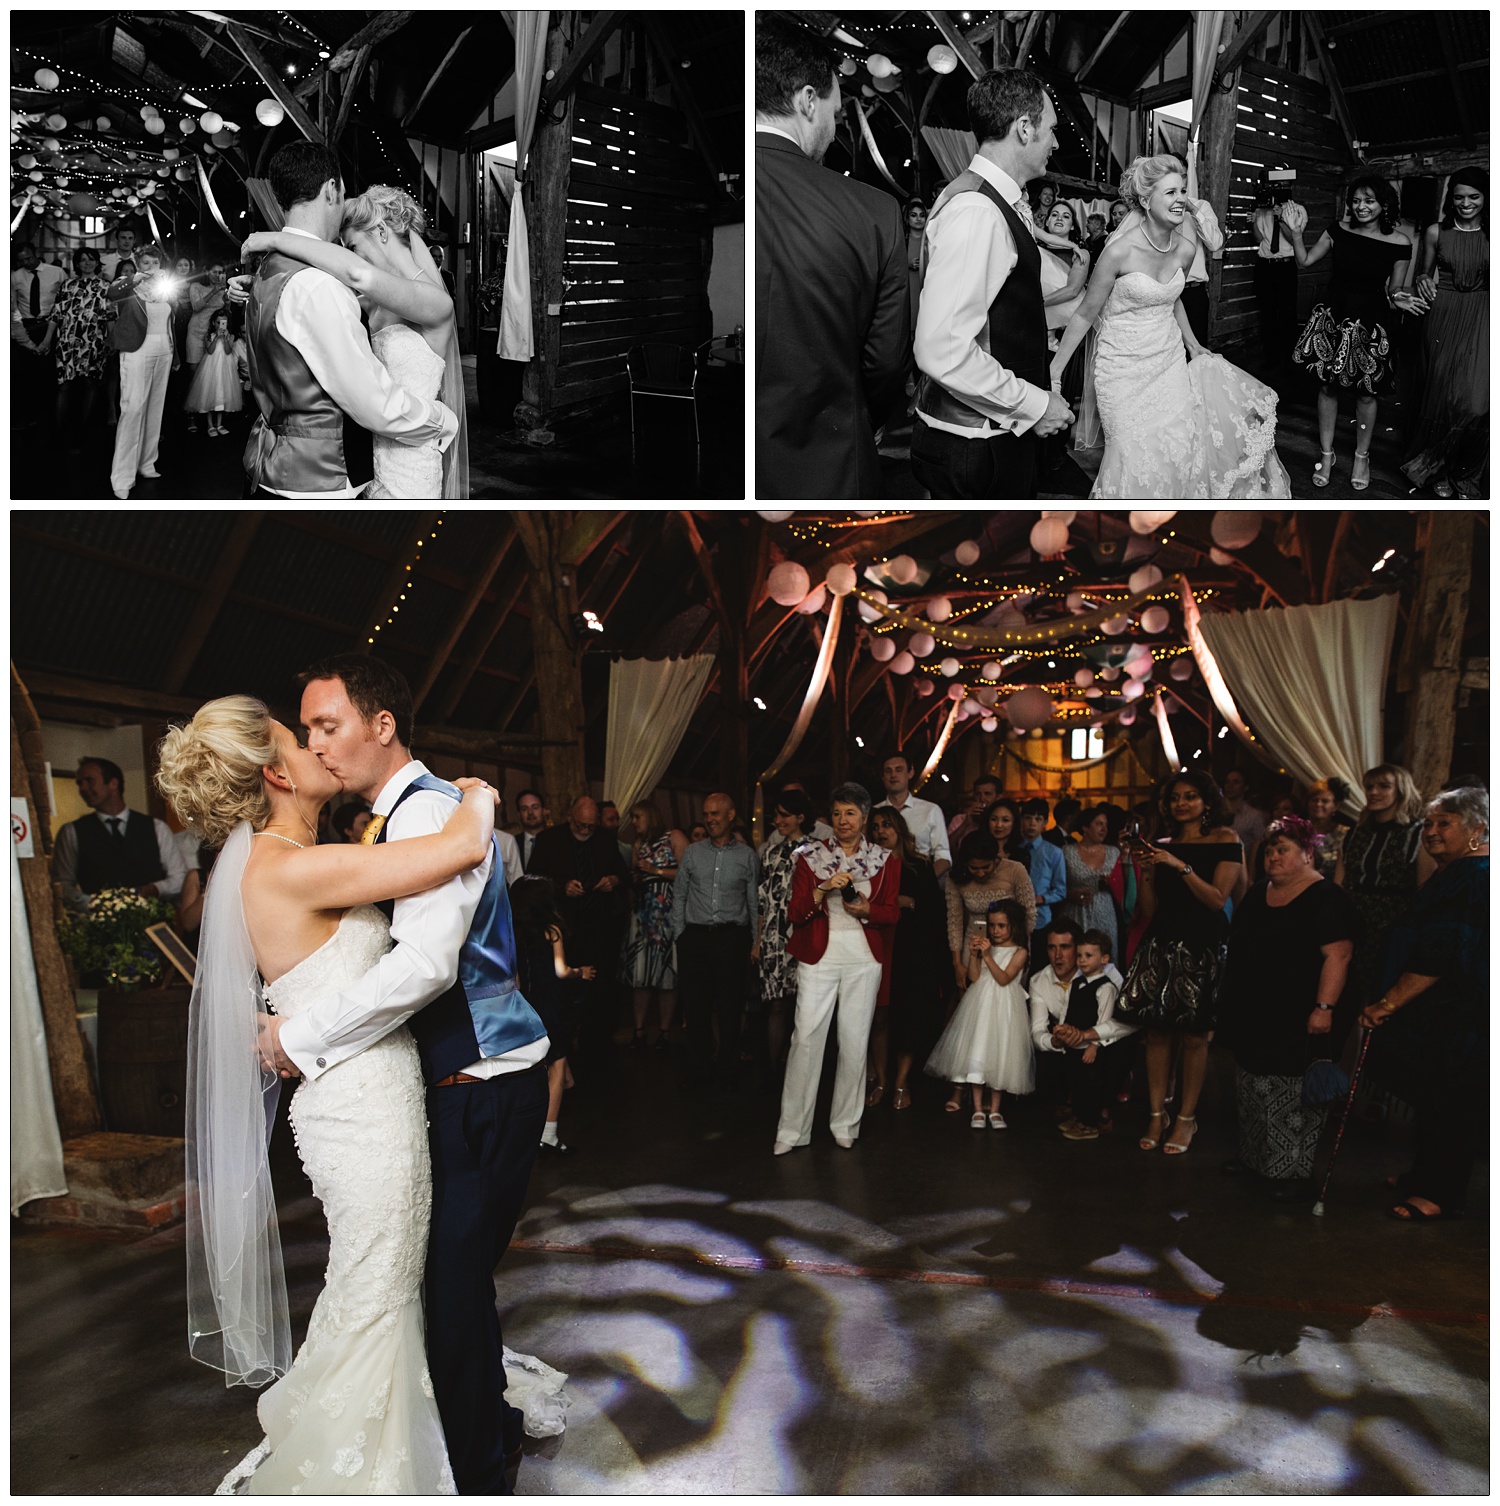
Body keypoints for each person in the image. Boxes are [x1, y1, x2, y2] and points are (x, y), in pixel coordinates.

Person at [153, 691, 512, 1493]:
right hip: (360, 1112)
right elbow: (457, 848)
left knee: (375, 1278)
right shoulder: (297, 865)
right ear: (276, 771)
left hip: (363, 1094)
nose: (320, 749)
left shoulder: (275, 863)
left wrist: (282, 1023)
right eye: (300, 738)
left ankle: (390, 1436)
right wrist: (478, 794)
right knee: (376, 1280)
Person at [253, 654, 552, 1494]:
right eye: (306, 730)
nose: (318, 745)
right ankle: (483, 1433)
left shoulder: (425, 814)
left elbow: (423, 967)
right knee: (449, 1289)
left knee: (449, 1293)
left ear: (382, 726)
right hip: (448, 1085)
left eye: (328, 726)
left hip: (481, 1080)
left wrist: (300, 1036)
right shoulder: (395, 820)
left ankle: (482, 1471)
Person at [1050, 155, 1290, 500]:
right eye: (1170, 192)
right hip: (1122, 369)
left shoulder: (1185, 249)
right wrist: (1055, 370)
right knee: (1131, 455)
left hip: (1169, 363)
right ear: (1146, 201)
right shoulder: (1118, 252)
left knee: (1177, 449)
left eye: (1183, 191)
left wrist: (1192, 345)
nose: (1180, 199)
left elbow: (1171, 297)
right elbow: (1087, 313)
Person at [238, 143, 457, 500]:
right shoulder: (364, 300)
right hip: (369, 454)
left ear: (383, 233)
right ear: (332, 189)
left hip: (407, 453)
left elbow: (355, 275)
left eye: (351, 246)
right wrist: (257, 289)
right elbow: (309, 313)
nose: (343, 257)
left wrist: (277, 238)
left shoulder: (434, 302)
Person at [754, 18, 908, 499]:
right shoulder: (876, 211)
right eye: (835, 112)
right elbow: (885, 361)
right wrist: (864, 420)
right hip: (832, 465)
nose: (834, 126)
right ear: (806, 101)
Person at [911, 68, 1074, 499]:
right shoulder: (978, 210)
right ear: (1024, 128)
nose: (1055, 143)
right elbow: (942, 348)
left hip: (992, 436)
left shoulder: (995, 200)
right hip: (975, 446)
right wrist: (1035, 405)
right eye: (1051, 130)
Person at [1361, 788, 1488, 1223]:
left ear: (1478, 829)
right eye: (1428, 823)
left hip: (1463, 1012)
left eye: (1444, 823)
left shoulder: (1473, 875)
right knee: (1436, 1098)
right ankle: (1424, 1175)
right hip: (1442, 1012)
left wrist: (1388, 1002)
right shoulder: (1455, 871)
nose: (1431, 832)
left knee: (1453, 1101)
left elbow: (1444, 951)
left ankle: (1440, 1193)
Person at [1218, 816, 1356, 1202]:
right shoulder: (1260, 891)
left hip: (1302, 1012)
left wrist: (1324, 1007)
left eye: (1284, 850)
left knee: (1290, 1088)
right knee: (1252, 1085)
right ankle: (1254, 1157)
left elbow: (1338, 956)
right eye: (1270, 850)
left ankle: (1291, 1173)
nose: (1274, 856)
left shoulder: (1327, 898)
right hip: (1258, 1010)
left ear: (1308, 853)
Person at [1116, 770, 1244, 1156]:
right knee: (1156, 1034)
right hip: (1163, 942)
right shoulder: (1162, 845)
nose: (1181, 804)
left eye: (1190, 797)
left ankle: (1187, 1117)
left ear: (1207, 802)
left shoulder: (1226, 839)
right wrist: (1150, 870)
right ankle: (1157, 1113)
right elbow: (1151, 909)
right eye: (1175, 798)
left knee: (1193, 1036)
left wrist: (1180, 865)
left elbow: (1217, 900)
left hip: (1202, 944)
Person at [774, 782, 899, 1153]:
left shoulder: (884, 859)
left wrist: (868, 910)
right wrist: (821, 889)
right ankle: (792, 1129)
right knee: (806, 1038)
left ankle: (845, 1122)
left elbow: (891, 912)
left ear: (864, 818)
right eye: (838, 812)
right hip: (819, 956)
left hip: (863, 957)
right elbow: (795, 913)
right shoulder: (809, 856)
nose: (843, 820)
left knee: (854, 1041)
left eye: (851, 813)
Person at [1288, 175, 1419, 491]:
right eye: (1356, 201)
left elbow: (1396, 289)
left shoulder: (1400, 243)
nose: (1361, 206)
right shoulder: (1337, 231)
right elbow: (1304, 261)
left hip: (1371, 321)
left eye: (1369, 200)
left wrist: (1402, 297)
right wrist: (1295, 235)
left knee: (1366, 392)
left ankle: (1362, 456)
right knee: (1328, 387)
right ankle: (1327, 452)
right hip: (1335, 315)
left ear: (1383, 204)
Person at [1402, 169, 1488, 498]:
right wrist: (1423, 279)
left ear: (1486, 198)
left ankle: (1463, 474)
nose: (1466, 203)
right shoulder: (1437, 232)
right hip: (1443, 314)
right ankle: (1436, 467)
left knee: (1475, 402)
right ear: (1450, 199)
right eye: (1459, 196)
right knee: (1441, 396)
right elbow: (1423, 273)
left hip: (1483, 314)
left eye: (1474, 196)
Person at [526, 795, 630, 1052]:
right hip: (564, 931)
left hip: (601, 930)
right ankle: (563, 1048)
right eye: (580, 825)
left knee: (601, 992)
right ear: (570, 817)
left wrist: (613, 881)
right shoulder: (549, 840)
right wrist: (562, 889)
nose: (585, 830)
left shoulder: (606, 839)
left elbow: (625, 874)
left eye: (590, 826)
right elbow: (532, 882)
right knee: (565, 991)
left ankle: (597, 1047)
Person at [670, 792, 759, 1087]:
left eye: (715, 814)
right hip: (695, 937)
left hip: (732, 938)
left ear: (731, 815)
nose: (710, 819)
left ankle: (728, 1069)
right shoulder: (694, 853)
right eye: (706, 814)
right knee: (696, 1007)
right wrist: (680, 935)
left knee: (730, 1006)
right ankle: (698, 1069)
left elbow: (753, 903)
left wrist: (755, 941)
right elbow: (680, 894)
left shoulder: (747, 856)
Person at [925, 899, 1033, 1128]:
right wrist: (974, 956)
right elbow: (974, 978)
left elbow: (1004, 979)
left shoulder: (1020, 952)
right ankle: (976, 1108)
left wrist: (987, 956)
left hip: (1004, 1007)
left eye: (1001, 926)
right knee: (979, 1050)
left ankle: (994, 1110)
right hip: (981, 1005)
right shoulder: (986, 949)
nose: (995, 931)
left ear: (1014, 925)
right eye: (992, 925)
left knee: (1000, 1052)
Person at [1334, 762, 1432, 1012]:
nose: (1374, 792)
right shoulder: (1356, 832)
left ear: (1400, 790)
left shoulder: (1416, 833)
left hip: (1393, 923)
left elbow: (1424, 888)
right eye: (1369, 787)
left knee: (1378, 995)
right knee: (1344, 995)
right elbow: (1340, 883)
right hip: (1353, 919)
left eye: (1383, 786)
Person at [868, 805, 946, 1111]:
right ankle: (882, 1081)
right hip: (878, 946)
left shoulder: (918, 866)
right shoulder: (867, 866)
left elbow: (934, 914)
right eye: (874, 827)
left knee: (909, 1018)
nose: (880, 832)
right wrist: (896, 903)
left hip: (913, 949)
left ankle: (901, 1081)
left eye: (886, 825)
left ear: (899, 828)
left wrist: (907, 905)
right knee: (880, 1017)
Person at [511, 874, 593, 1157]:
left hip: (525, 1003)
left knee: (536, 1064)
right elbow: (561, 971)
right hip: (551, 1003)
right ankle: (549, 1137)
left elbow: (516, 979)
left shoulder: (511, 931)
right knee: (555, 1065)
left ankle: (527, 1131)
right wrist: (581, 972)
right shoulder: (552, 929)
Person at [1029, 923, 1134, 1141]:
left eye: (1065, 947)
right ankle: (1076, 1110)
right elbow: (1038, 1031)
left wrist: (1090, 1037)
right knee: (1071, 1075)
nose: (1058, 956)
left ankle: (1099, 1116)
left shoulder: (1108, 979)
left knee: (1099, 1071)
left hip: (1101, 1042)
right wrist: (1058, 1038)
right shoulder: (1040, 980)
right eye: (1051, 948)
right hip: (1070, 1045)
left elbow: (1128, 1022)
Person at [53, 756, 188, 907]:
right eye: (80, 783)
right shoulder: (71, 832)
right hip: (99, 925)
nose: (83, 788)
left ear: (113, 783)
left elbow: (179, 876)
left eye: (89, 780)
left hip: (153, 922)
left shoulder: (156, 827)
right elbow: (62, 884)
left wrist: (156, 889)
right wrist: (92, 904)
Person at [105, 241, 179, 499]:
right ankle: (122, 477)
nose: (151, 267)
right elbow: (111, 294)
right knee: (133, 408)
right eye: (145, 263)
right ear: (137, 265)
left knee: (154, 409)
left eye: (155, 263)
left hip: (164, 351)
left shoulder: (164, 287)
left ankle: (147, 463)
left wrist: (175, 353)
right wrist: (135, 278)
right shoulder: (128, 286)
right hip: (137, 352)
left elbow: (171, 321)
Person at [622, 799, 687, 1051]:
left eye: (637, 817)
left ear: (650, 815)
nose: (634, 822)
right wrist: (636, 876)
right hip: (643, 913)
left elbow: (687, 872)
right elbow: (637, 879)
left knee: (667, 976)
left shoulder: (675, 837)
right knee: (641, 975)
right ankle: (639, 1032)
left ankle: (664, 1033)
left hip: (669, 912)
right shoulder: (639, 844)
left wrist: (656, 871)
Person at [948, 829, 1036, 1009]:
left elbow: (1029, 914)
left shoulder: (1014, 870)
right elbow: (954, 921)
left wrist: (1015, 947)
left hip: (1011, 944)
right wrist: (957, 963)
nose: (980, 873)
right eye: (974, 868)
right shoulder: (957, 877)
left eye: (986, 867)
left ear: (996, 858)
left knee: (1006, 998)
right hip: (974, 941)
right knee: (971, 1000)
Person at [756, 788, 811, 1073]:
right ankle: (772, 1069)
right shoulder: (770, 854)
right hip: (774, 939)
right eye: (776, 814)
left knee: (805, 1005)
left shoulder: (816, 852)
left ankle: (802, 1069)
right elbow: (762, 903)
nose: (777, 820)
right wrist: (757, 942)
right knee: (776, 1004)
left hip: (804, 935)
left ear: (801, 817)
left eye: (784, 815)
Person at [51, 247, 112, 442]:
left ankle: (81, 432)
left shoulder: (106, 286)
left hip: (95, 342)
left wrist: (113, 340)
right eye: (83, 260)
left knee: (90, 385)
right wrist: (46, 340)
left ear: (97, 262)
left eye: (91, 259)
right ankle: (58, 433)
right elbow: (56, 314)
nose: (87, 262)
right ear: (76, 264)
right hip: (67, 342)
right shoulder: (67, 285)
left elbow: (110, 316)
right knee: (64, 386)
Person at [1249, 173, 1301, 380]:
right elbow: (1259, 239)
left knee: (1287, 315)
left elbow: (1294, 239)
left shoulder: (1297, 211)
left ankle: (1289, 360)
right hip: (1265, 266)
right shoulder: (1262, 211)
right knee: (1267, 314)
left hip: (1286, 267)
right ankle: (1270, 358)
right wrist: (1253, 221)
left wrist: (1281, 219)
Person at [873, 749, 951, 877]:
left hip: (922, 880)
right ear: (883, 777)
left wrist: (925, 881)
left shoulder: (930, 810)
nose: (893, 775)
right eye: (888, 771)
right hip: (883, 881)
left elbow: (943, 855)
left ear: (910, 773)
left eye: (899, 770)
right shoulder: (874, 812)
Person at [1058, 804, 1120, 954]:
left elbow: (1125, 887)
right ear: (1085, 828)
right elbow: (1055, 885)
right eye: (1099, 824)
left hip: (1105, 911)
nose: (1104, 829)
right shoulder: (1066, 851)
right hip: (1075, 912)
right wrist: (1069, 894)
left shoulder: (1114, 852)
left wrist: (1112, 884)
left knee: (1104, 955)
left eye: (1106, 825)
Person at [1012, 798, 1066, 967]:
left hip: (1041, 918)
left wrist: (1041, 898)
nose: (1032, 823)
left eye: (1037, 819)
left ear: (1045, 822)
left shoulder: (1054, 852)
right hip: (1014, 917)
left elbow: (1061, 890)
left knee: (1038, 964)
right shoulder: (1013, 849)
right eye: (1028, 818)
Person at [182, 259, 228, 431]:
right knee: (194, 375)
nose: (217, 275)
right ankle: (190, 415)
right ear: (207, 272)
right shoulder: (196, 286)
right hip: (195, 333)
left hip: (213, 334)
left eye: (220, 272)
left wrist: (226, 297)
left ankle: (208, 415)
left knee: (211, 375)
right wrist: (214, 291)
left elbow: (224, 311)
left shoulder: (222, 289)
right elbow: (196, 306)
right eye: (214, 271)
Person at [184, 308, 242, 437]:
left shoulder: (230, 336)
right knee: (210, 393)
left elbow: (228, 351)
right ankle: (210, 425)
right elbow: (210, 351)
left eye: (224, 323)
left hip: (225, 367)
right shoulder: (209, 336)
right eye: (218, 323)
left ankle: (219, 424)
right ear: (213, 324)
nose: (221, 325)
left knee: (221, 393)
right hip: (211, 366)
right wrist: (216, 338)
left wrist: (226, 339)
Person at [1221, 768, 1267, 882]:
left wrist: (1250, 876)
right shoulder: (1214, 813)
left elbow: (1256, 847)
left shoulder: (1254, 815)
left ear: (1246, 787)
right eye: (1227, 782)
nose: (1230, 786)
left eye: (1236, 782)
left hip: (1240, 872)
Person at [1305, 777, 1354, 880]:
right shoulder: (1297, 830)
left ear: (1335, 806)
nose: (1318, 804)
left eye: (1325, 801)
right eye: (1314, 800)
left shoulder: (1345, 834)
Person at [948, 774, 1000, 847]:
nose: (982, 799)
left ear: (998, 797)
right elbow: (946, 847)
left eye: (987, 794)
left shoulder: (1001, 822)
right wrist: (965, 824)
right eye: (978, 794)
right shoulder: (959, 819)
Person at [517, 788, 547, 870]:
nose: (530, 812)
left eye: (535, 807)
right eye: (524, 809)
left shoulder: (556, 840)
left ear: (544, 811)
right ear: (519, 814)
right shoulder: (513, 843)